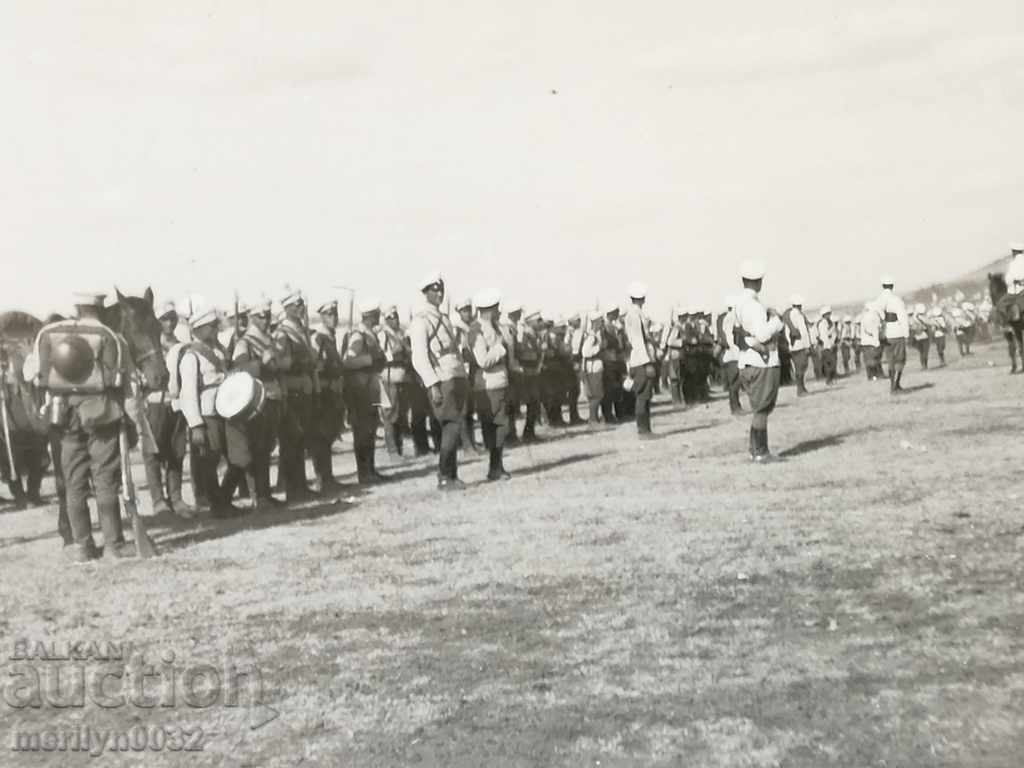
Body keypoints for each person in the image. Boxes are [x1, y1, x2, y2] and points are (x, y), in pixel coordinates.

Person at [31, 293, 140, 561]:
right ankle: (114, 544)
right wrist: (134, 420)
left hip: (64, 416)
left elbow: (33, 375)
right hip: (102, 414)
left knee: (74, 481)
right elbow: (125, 384)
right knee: (105, 479)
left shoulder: (50, 333)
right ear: (100, 307)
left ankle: (82, 545)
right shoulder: (109, 335)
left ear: (77, 307)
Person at [177, 304, 246, 518]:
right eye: (211, 326)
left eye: (216, 325)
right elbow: (188, 393)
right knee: (210, 461)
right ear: (199, 329)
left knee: (240, 456)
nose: (216, 329)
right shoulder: (191, 356)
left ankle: (224, 498)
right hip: (207, 414)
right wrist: (196, 424)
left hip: (227, 410)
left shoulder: (220, 350)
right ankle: (219, 505)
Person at [409, 273, 470, 491]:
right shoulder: (421, 320)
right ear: (425, 293)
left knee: (453, 426)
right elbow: (419, 357)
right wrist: (432, 384)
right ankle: (445, 476)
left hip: (455, 376)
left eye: (440, 289)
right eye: (434, 290)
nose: (439, 294)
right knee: (450, 426)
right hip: (442, 379)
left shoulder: (442, 318)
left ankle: (452, 475)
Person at [229, 299, 287, 506]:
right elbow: (238, 370)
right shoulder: (245, 342)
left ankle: (265, 493)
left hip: (273, 396)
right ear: (252, 318)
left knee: (267, 448)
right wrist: (259, 363)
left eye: (268, 316)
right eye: (262, 316)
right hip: (256, 401)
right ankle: (257, 496)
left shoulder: (268, 339)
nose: (266, 320)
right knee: (257, 448)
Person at [142, 302, 195, 518]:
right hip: (155, 403)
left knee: (177, 451)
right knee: (153, 452)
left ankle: (176, 497)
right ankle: (158, 500)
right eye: (164, 318)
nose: (169, 322)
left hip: (177, 402)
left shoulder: (180, 345)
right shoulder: (149, 346)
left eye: (172, 318)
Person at [734, 261, 784, 462]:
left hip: (747, 359)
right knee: (762, 408)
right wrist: (776, 321)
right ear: (759, 281)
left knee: (759, 408)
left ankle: (755, 450)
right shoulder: (754, 305)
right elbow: (763, 335)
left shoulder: (739, 304)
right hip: (761, 361)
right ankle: (761, 452)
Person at [274, 290, 319, 502]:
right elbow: (281, 363)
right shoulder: (283, 333)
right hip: (292, 390)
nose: (301, 309)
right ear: (288, 309)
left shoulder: (300, 330)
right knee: (291, 440)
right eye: (296, 306)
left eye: (301, 305)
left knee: (301, 439)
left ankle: (300, 485)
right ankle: (293, 488)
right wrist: (299, 363)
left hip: (305, 388)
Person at [468, 290, 513, 481]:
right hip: (488, 385)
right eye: (495, 308)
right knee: (496, 426)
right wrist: (500, 349)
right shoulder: (477, 329)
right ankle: (495, 467)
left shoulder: (493, 326)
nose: (499, 311)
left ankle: (496, 466)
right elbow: (482, 360)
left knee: (500, 426)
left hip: (499, 382)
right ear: (488, 310)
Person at [342, 300, 387, 485]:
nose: (378, 317)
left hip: (370, 388)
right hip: (359, 389)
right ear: (369, 316)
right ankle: (364, 472)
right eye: (376, 314)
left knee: (370, 429)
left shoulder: (368, 334)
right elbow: (348, 360)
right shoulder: (358, 335)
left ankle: (370, 469)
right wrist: (370, 359)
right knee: (362, 431)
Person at [310, 300, 345, 491]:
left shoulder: (331, 337)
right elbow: (316, 365)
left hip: (334, 390)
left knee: (330, 432)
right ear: (322, 317)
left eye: (335, 314)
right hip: (323, 391)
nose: (334, 318)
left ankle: (328, 476)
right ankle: (322, 478)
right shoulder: (319, 338)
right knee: (322, 436)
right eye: (330, 314)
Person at [623, 282, 658, 437]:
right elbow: (638, 340)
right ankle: (643, 430)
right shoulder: (635, 315)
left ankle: (646, 429)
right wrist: (647, 362)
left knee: (645, 395)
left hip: (639, 358)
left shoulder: (635, 314)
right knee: (643, 395)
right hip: (640, 360)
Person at [377, 305, 411, 459]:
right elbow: (384, 355)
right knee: (390, 416)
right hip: (389, 377)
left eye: (396, 316)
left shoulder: (400, 333)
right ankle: (392, 451)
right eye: (391, 317)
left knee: (400, 414)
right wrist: (399, 350)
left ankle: (399, 448)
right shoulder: (383, 334)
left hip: (401, 377)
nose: (395, 320)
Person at [452, 298, 484, 452]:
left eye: (468, 310)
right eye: (463, 311)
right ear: (459, 313)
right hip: (461, 370)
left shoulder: (472, 328)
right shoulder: (456, 329)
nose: (467, 313)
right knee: (463, 409)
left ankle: (471, 440)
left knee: (470, 408)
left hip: (472, 371)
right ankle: (466, 445)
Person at [877, 276, 909, 394]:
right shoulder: (896, 300)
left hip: (885, 333)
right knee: (900, 359)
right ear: (892, 286)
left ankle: (892, 385)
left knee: (890, 359)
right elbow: (903, 317)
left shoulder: (878, 300)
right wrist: (906, 333)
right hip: (897, 331)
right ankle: (896, 383)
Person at [580, 312, 606, 426]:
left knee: (597, 394)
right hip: (592, 368)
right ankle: (593, 419)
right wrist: (599, 347)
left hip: (596, 367)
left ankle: (594, 418)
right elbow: (585, 352)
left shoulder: (597, 335)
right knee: (596, 394)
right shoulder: (592, 337)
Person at [782, 295, 811, 396]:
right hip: (801, 344)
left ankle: (801, 388)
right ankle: (800, 389)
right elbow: (803, 331)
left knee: (798, 367)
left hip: (793, 345)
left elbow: (786, 331)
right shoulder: (798, 315)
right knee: (802, 366)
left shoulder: (787, 315)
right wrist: (807, 345)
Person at [719, 297, 743, 414]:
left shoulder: (734, 317)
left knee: (737, 381)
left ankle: (736, 405)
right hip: (732, 354)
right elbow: (729, 335)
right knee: (734, 381)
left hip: (735, 353)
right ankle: (735, 407)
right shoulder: (730, 318)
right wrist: (734, 348)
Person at [660, 309, 686, 404]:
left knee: (679, 378)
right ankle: (676, 400)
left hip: (678, 355)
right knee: (675, 378)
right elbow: (670, 341)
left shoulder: (678, 327)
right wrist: (683, 342)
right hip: (675, 355)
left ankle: (679, 399)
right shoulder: (677, 327)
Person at [563, 313, 585, 425]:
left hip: (573, 362)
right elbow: (572, 349)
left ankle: (574, 415)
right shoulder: (570, 332)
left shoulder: (574, 332)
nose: (580, 321)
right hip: (572, 363)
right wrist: (575, 362)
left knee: (575, 391)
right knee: (573, 391)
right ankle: (573, 416)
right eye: (578, 320)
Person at [859, 303, 884, 380]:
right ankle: (877, 374)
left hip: (865, 342)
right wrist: (877, 341)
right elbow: (876, 330)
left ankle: (871, 376)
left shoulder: (863, 317)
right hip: (873, 341)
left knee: (868, 360)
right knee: (875, 359)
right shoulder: (874, 317)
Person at [816, 307, 838, 385]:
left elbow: (834, 333)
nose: (829, 315)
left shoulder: (831, 323)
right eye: (827, 314)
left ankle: (830, 378)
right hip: (826, 346)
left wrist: (833, 342)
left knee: (832, 363)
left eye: (829, 314)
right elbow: (824, 336)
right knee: (829, 363)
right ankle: (828, 379)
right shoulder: (822, 324)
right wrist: (829, 345)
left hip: (831, 345)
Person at [909, 303, 932, 370]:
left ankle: (923, 365)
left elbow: (911, 328)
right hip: (924, 336)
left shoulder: (912, 319)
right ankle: (925, 365)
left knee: (922, 352)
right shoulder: (923, 317)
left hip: (917, 337)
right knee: (925, 352)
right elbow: (929, 324)